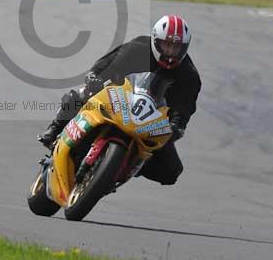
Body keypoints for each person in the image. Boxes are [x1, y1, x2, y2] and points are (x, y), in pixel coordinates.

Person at [38, 15, 201, 186]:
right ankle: (55, 128)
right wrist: (95, 77)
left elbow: (185, 108)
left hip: (151, 122)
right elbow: (108, 63)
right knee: (81, 94)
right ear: (155, 40)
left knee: (171, 171)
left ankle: (134, 165)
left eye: (175, 48)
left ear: (184, 48)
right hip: (118, 98)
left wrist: (177, 126)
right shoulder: (138, 47)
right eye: (167, 45)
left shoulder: (189, 75)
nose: (170, 52)